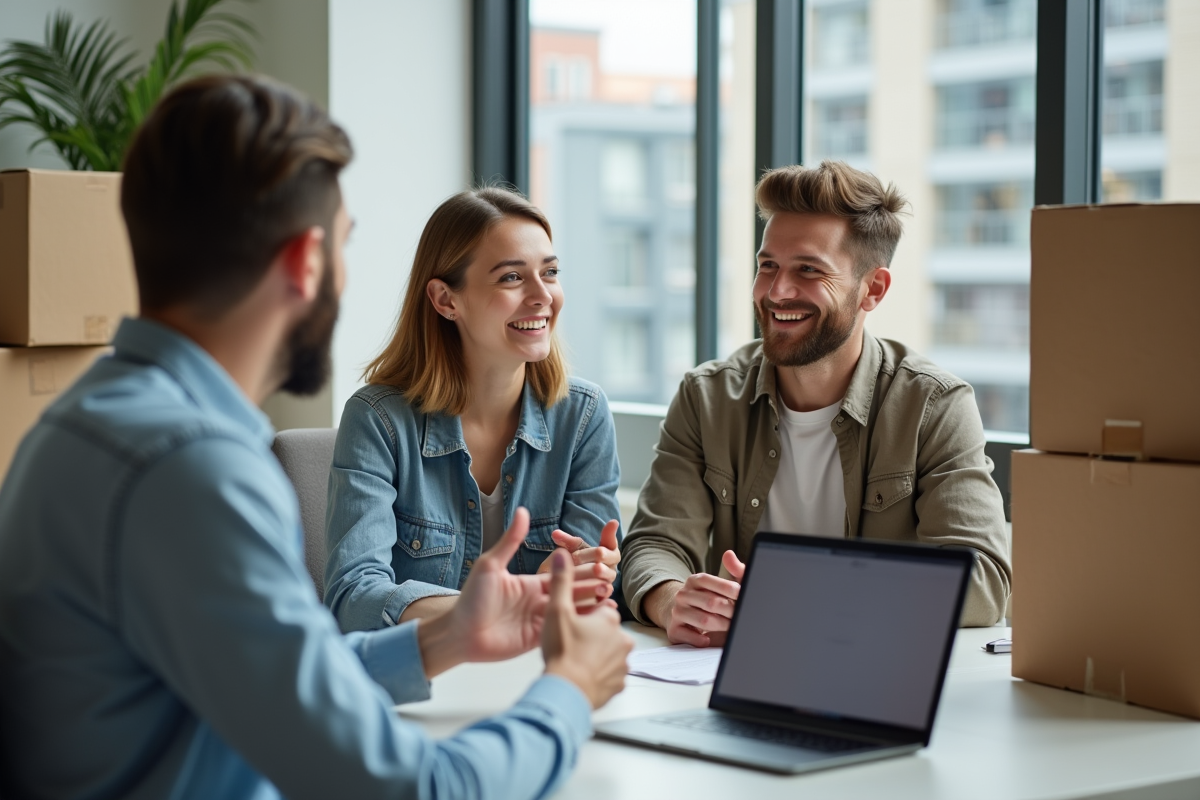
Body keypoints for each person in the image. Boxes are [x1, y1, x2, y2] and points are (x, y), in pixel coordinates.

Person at [0, 74, 632, 800]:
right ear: (305, 262)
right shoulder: (191, 472)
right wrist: (569, 692)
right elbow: (418, 788)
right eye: (344, 245)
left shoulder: (91, 421)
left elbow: (275, 682)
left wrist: (442, 639)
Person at [620, 160, 1012, 647]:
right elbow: (655, 543)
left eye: (808, 270)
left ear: (873, 289)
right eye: (768, 267)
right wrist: (671, 598)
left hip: (878, 680)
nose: (777, 291)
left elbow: (983, 579)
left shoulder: (934, 406)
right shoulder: (707, 397)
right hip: (733, 675)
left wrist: (800, 596)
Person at [323, 187, 623, 632]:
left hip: (536, 670)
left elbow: (589, 593)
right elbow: (354, 598)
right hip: (420, 681)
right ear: (446, 300)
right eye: (511, 278)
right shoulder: (378, 420)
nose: (543, 296)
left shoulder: (583, 416)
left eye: (551, 272)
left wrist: (588, 578)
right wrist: (505, 605)